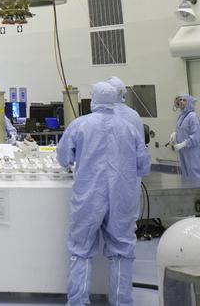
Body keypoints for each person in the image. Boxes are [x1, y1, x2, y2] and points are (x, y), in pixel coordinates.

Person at [56, 80, 150, 306]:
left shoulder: (80, 125)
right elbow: (144, 165)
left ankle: (78, 301)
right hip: (122, 196)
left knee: (81, 250)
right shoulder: (128, 126)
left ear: (93, 99)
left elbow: (63, 158)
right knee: (122, 251)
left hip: (88, 195)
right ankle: (121, 301)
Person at [171, 95, 200, 180]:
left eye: (184, 100)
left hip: (191, 151)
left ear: (189, 103)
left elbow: (196, 136)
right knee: (185, 173)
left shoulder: (193, 116)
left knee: (193, 171)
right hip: (183, 151)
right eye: (180, 100)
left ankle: (197, 189)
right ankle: (189, 191)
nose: (181, 102)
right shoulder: (181, 116)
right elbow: (182, 130)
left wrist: (184, 143)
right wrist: (175, 135)